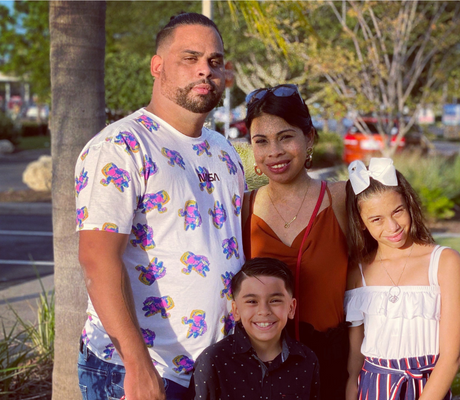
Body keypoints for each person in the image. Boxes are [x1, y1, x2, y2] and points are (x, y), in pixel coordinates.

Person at [75, 12, 245, 400]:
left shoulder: (222, 150)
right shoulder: (121, 147)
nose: (205, 70)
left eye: (214, 62)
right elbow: (97, 259)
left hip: (212, 369)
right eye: (190, 58)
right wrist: (137, 365)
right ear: (157, 66)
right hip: (138, 370)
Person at [242, 84, 349, 398]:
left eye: (286, 137)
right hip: (261, 371)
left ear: (309, 137)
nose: (273, 151)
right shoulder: (242, 207)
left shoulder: (342, 199)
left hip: (331, 366)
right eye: (261, 141)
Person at [344, 158, 460, 400]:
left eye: (397, 211)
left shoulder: (444, 262)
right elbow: (356, 355)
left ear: (409, 205)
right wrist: (351, 388)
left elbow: (452, 356)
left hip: (429, 388)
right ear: (361, 223)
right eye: (376, 219)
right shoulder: (358, 272)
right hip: (372, 388)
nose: (392, 226)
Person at [192, 257, 320, 399]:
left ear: (291, 308)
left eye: (275, 300)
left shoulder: (307, 360)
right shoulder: (213, 361)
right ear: (236, 310)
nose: (264, 311)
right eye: (252, 301)